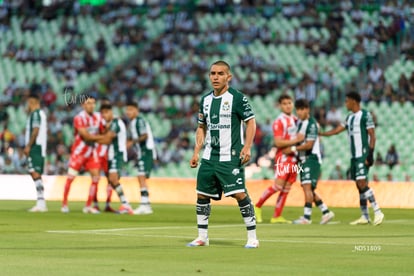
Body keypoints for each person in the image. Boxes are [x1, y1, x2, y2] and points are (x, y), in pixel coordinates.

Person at [187, 60, 259, 248]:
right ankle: (202, 237)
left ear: (229, 77)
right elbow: (201, 127)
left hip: (230, 157)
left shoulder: (237, 98)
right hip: (210, 157)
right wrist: (196, 152)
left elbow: (251, 122)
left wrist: (248, 147)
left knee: (240, 195)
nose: (216, 77)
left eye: (220, 74)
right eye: (213, 74)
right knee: (202, 195)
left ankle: (252, 238)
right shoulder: (205, 100)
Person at [320, 91, 384, 225]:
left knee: (362, 183)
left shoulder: (365, 115)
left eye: (347, 101)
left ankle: (378, 211)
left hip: (363, 155)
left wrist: (371, 154)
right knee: (359, 186)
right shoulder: (349, 118)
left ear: (354, 101)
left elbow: (372, 135)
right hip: (354, 157)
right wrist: (322, 134)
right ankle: (365, 216)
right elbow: (337, 130)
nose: (345, 103)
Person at [254, 94, 304, 224]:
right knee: (277, 186)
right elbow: (278, 142)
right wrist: (296, 141)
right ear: (280, 106)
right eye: (284, 103)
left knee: (286, 188)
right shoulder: (279, 121)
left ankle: (276, 216)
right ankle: (257, 206)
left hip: (294, 158)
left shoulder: (296, 120)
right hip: (283, 157)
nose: (288, 106)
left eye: (289, 103)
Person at [283, 99, 334, 224]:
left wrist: (293, 148)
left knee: (307, 187)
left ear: (307, 110)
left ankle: (306, 218)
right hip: (304, 160)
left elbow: (309, 145)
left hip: (311, 159)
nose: (300, 112)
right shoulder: (301, 123)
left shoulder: (311, 124)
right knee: (308, 189)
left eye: (302, 109)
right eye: (298, 110)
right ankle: (326, 212)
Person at [61, 95, 104, 214]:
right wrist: (103, 138)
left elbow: (104, 130)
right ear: (83, 105)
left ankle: (88, 206)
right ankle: (64, 204)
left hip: (91, 153)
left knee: (96, 178)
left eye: (93, 103)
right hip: (79, 153)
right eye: (89, 103)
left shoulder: (98, 117)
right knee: (70, 178)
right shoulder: (79, 118)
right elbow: (86, 136)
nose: (91, 105)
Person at [97, 103, 133, 214]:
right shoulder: (112, 123)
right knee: (111, 181)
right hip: (112, 154)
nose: (104, 115)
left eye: (106, 112)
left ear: (111, 112)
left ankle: (126, 204)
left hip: (118, 154)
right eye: (102, 113)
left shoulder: (116, 123)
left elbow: (107, 139)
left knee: (113, 179)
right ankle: (117, 204)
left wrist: (91, 140)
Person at [125, 101, 157, 215]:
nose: (128, 112)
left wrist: (131, 142)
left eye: (130, 110)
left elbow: (145, 135)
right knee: (141, 177)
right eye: (127, 110)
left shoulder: (139, 121)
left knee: (141, 177)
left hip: (146, 151)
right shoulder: (133, 122)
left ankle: (145, 205)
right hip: (141, 153)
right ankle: (146, 204)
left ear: (136, 110)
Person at [24, 93, 48, 212]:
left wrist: (29, 145)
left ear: (32, 102)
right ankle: (41, 201)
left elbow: (36, 130)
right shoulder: (41, 114)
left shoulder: (36, 114)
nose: (27, 105)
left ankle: (41, 202)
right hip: (39, 147)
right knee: (34, 172)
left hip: (35, 147)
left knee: (35, 173)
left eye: (28, 102)